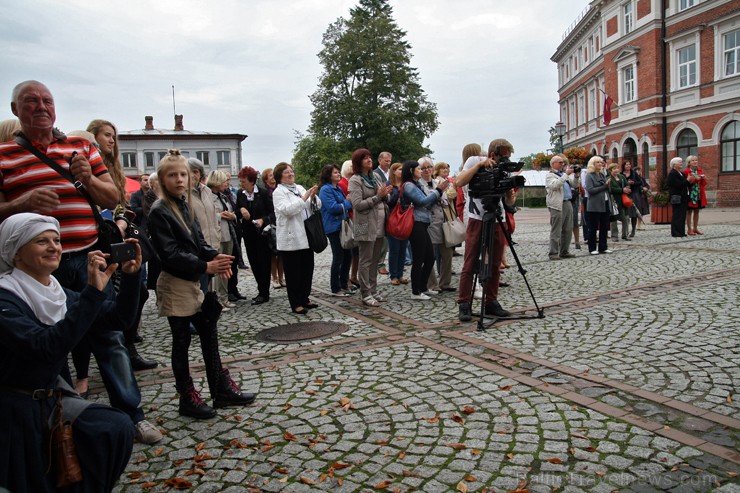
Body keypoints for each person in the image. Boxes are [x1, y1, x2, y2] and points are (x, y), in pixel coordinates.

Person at [0, 80, 160, 444]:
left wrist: (88, 179)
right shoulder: (4, 156)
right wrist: (19, 205)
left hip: (89, 257)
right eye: (30, 102)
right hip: (35, 270)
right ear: (15, 110)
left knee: (109, 336)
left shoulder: (80, 147)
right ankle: (56, 421)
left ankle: (132, 415)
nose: (41, 107)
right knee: (46, 345)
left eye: (47, 101)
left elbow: (114, 194)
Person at [0, 213, 139, 493]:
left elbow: (118, 319)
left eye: (57, 240)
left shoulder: (56, 292)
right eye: (41, 241)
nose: (54, 247)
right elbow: (46, 348)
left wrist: (131, 277)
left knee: (114, 429)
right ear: (16, 254)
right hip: (14, 410)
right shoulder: (5, 298)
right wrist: (91, 295)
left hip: (49, 400)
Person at [148, 150, 255, 419]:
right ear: (162, 179)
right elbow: (169, 253)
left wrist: (213, 256)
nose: (180, 179)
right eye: (173, 175)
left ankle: (219, 387)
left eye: (183, 174)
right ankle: (187, 396)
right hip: (175, 282)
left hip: (194, 279)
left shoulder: (185, 203)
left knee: (209, 330)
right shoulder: (160, 210)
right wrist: (205, 265)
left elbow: (198, 241)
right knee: (182, 340)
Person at [454, 139, 516, 321]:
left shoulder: (504, 168)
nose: (504, 160)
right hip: (477, 217)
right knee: (471, 260)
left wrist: (510, 197)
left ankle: (491, 301)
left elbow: (508, 203)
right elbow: (459, 181)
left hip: (498, 217)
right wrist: (481, 164)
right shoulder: (474, 160)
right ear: (492, 154)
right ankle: (464, 303)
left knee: (495, 262)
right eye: (502, 156)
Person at [272, 162, 322, 314]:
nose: (291, 174)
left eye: (291, 171)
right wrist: (305, 198)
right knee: (294, 273)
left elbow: (317, 206)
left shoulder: (299, 188)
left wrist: (313, 198)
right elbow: (287, 210)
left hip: (306, 235)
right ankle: (295, 303)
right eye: (287, 172)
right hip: (291, 238)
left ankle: (305, 298)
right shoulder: (278, 193)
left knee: (307, 269)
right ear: (280, 177)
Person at [348, 149, 392, 307]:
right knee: (365, 260)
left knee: (376, 259)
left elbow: (385, 197)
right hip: (364, 224)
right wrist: (378, 196)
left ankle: (373, 290)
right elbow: (358, 205)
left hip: (380, 223)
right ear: (358, 162)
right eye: (364, 158)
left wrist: (386, 194)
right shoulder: (355, 180)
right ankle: (365, 293)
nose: (369, 160)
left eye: (369, 157)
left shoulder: (376, 176)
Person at [401, 159, 449, 300]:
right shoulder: (409, 186)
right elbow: (423, 201)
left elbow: (427, 202)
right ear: (411, 171)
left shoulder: (415, 185)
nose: (421, 171)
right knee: (419, 258)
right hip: (415, 223)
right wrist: (439, 191)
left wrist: (435, 195)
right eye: (418, 169)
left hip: (422, 223)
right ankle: (415, 291)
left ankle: (422, 287)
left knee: (430, 257)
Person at [236, 166, 274, 304]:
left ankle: (264, 293)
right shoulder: (240, 194)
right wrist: (241, 210)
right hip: (248, 234)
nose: (241, 184)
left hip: (262, 234)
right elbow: (236, 210)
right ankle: (261, 290)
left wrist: (263, 220)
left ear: (252, 181)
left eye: (244, 181)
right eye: (240, 182)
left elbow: (273, 213)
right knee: (254, 262)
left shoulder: (263, 193)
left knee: (264, 263)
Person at [186, 158, 221, 294]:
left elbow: (213, 215)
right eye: (190, 171)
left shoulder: (207, 191)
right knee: (200, 289)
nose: (193, 175)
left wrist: (217, 237)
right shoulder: (184, 193)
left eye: (196, 171)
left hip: (212, 247)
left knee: (210, 289)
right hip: (195, 249)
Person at [319, 164, 354, 296]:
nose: (338, 174)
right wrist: (346, 203)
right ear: (328, 175)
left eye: (338, 172)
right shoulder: (325, 190)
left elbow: (347, 204)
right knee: (338, 256)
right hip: (333, 227)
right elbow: (333, 208)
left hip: (342, 226)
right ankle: (336, 287)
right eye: (335, 173)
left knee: (347, 256)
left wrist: (345, 203)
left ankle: (344, 284)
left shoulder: (338, 188)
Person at [206, 170, 238, 310]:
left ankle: (224, 298)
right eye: (224, 180)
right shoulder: (207, 197)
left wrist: (233, 216)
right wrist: (220, 216)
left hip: (228, 235)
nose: (227, 183)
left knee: (226, 267)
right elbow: (206, 216)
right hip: (217, 236)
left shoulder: (224, 197)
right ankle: (217, 299)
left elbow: (232, 212)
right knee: (217, 270)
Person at [545, 154, 577, 260]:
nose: (563, 164)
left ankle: (564, 251)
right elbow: (555, 186)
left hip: (567, 202)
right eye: (560, 162)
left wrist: (576, 176)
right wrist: (565, 175)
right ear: (553, 164)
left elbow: (574, 185)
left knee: (568, 228)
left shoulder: (563, 174)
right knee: (556, 229)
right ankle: (553, 253)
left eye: (563, 162)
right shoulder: (550, 175)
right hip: (557, 204)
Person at [261, 167, 285, 289]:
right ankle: (274, 278)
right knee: (272, 254)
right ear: (265, 180)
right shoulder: (265, 192)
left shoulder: (280, 189)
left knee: (281, 253)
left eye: (273, 175)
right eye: (270, 176)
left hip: (281, 224)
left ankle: (281, 277)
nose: (272, 177)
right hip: (270, 226)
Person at [584, 156, 613, 255]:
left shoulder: (602, 175)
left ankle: (603, 247)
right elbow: (590, 190)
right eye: (598, 163)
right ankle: (592, 248)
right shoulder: (589, 175)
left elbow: (606, 188)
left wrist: (608, 185)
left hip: (604, 202)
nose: (600, 164)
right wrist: (604, 186)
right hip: (594, 204)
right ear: (593, 164)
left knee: (604, 226)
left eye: (601, 163)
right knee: (593, 227)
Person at [386, 162, 409, 286]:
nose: (402, 171)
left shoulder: (407, 184)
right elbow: (388, 202)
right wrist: (397, 191)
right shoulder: (389, 185)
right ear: (394, 171)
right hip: (393, 219)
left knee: (403, 249)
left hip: (405, 219)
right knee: (394, 249)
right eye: (400, 169)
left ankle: (400, 274)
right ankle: (393, 275)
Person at [339, 159, 360, 289]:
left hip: (357, 219)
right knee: (349, 251)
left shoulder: (355, 180)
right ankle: (346, 278)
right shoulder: (342, 183)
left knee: (358, 250)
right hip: (349, 219)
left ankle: (354, 276)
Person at [374, 151, 392, 276]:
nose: (388, 163)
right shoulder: (375, 173)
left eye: (390, 161)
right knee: (381, 239)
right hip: (380, 208)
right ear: (380, 160)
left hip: (391, 207)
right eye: (386, 161)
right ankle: (379, 264)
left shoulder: (392, 172)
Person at [683, 155, 707, 235]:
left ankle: (695, 228)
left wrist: (703, 178)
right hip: (690, 194)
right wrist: (694, 180)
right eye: (693, 160)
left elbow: (704, 183)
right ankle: (689, 229)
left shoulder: (699, 170)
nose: (695, 162)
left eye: (696, 160)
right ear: (689, 163)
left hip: (699, 193)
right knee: (689, 211)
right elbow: (685, 184)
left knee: (697, 211)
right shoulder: (686, 172)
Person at [621, 161, 646, 238]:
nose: (628, 166)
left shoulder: (634, 173)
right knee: (626, 213)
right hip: (625, 194)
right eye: (626, 164)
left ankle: (633, 230)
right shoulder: (621, 174)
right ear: (624, 166)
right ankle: (625, 231)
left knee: (634, 213)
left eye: (629, 164)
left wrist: (633, 183)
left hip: (634, 194)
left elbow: (640, 182)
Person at [608, 163, 632, 241]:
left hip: (623, 201)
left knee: (626, 217)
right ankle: (614, 236)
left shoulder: (622, 177)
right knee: (614, 219)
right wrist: (622, 190)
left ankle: (625, 234)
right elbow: (610, 189)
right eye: (614, 169)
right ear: (610, 170)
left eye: (617, 168)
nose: (616, 170)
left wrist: (627, 188)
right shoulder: (609, 179)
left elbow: (627, 184)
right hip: (614, 200)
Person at [667, 157, 689, 238]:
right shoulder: (673, 173)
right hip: (676, 196)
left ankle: (681, 231)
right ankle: (676, 232)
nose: (681, 163)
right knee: (677, 214)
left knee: (682, 215)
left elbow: (685, 184)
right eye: (679, 162)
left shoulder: (681, 173)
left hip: (683, 196)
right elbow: (678, 184)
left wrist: (690, 180)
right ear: (674, 164)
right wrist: (687, 180)